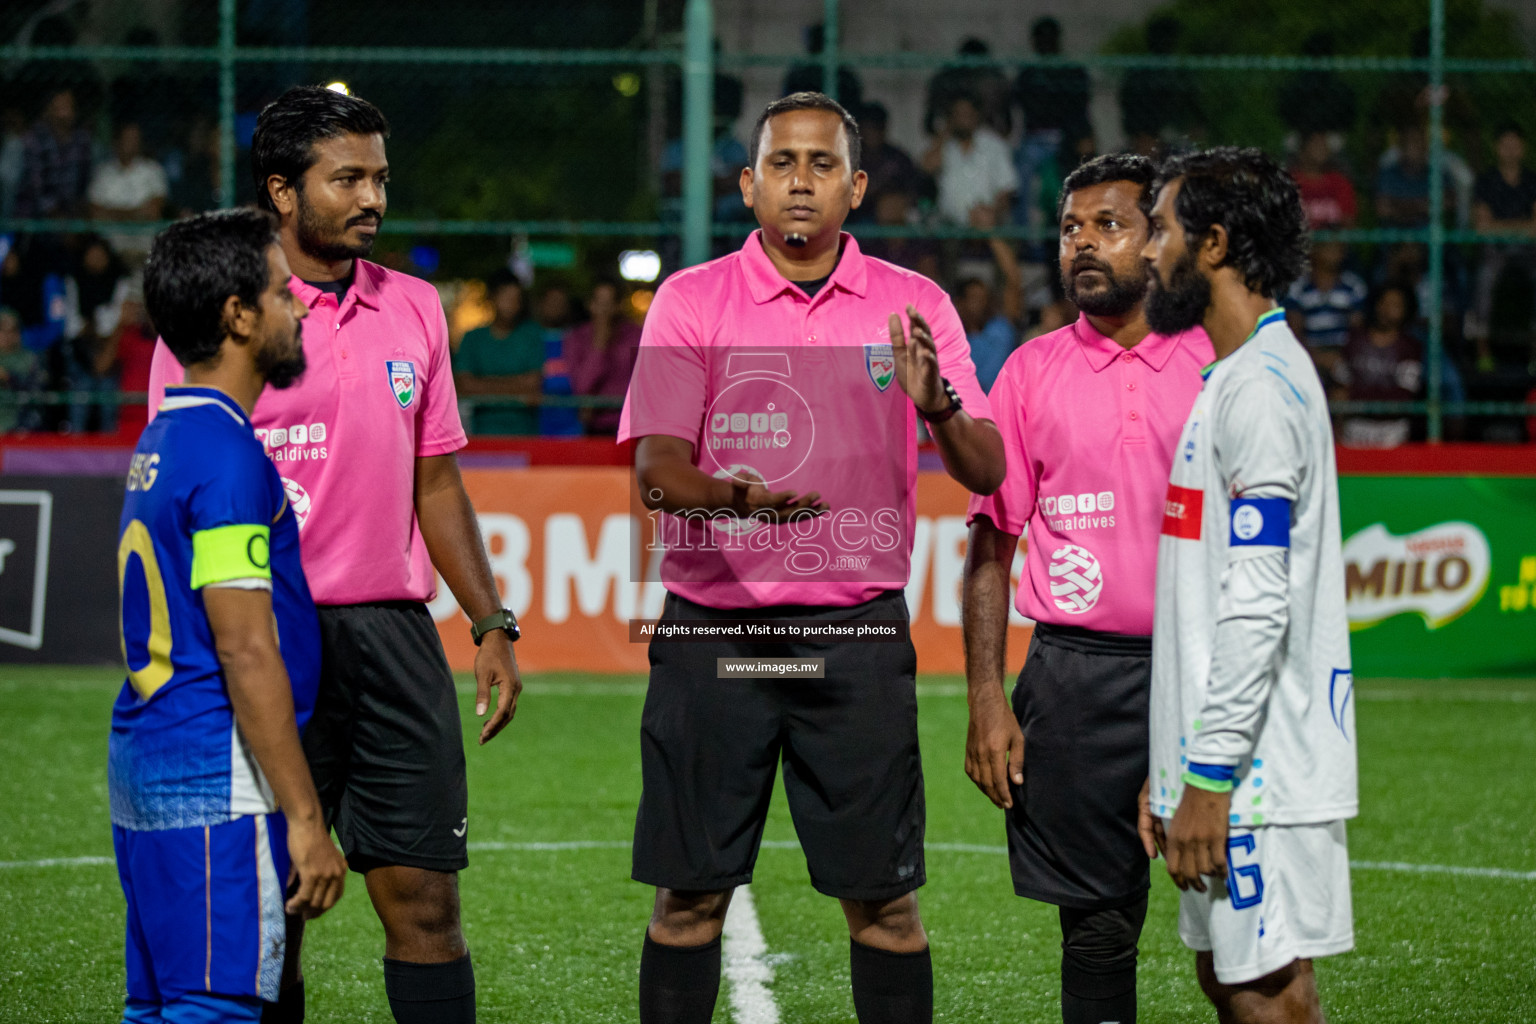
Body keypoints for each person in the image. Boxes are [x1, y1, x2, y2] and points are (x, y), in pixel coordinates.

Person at [620, 91, 1004, 1024]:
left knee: (886, 910)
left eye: (822, 164)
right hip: (714, 634)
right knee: (687, 905)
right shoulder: (691, 299)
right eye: (782, 163)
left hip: (856, 635)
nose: (801, 180)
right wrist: (733, 498)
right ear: (749, 184)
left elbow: (990, 468)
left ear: (857, 186)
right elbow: (656, 468)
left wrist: (939, 404)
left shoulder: (916, 306)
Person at [148, 85, 523, 1024]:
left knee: (427, 905)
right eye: (346, 177)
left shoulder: (417, 308)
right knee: (274, 915)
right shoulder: (228, 313)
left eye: (380, 177)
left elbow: (436, 484)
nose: (373, 199)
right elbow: (182, 483)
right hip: (267, 644)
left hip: (393, 641)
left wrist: (489, 621)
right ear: (281, 189)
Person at [962, 153, 1213, 1024]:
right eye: (1071, 228)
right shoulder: (1029, 373)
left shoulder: (1216, 360)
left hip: (1207, 673)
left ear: (1158, 242)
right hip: (1072, 680)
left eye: (1109, 225)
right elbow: (990, 543)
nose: (1083, 245)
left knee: (1238, 931)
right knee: (1099, 930)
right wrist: (989, 696)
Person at [114, 207, 346, 1024]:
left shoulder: (164, 441)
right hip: (217, 784)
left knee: (158, 1009)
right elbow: (247, 649)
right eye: (282, 292)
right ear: (239, 315)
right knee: (212, 1011)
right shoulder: (229, 457)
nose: (298, 307)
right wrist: (307, 819)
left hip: (148, 773)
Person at [1141, 146, 1356, 1023]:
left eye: (1161, 228)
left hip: (1251, 780)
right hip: (1226, 769)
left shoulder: (1261, 392)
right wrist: (1172, 773)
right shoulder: (1233, 378)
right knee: (1233, 982)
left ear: (1216, 244)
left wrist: (1209, 779)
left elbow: (1258, 604)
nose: (1149, 251)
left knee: (1265, 993)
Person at [1466, 123, 1536, 369]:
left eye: (1515, 144)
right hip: (1494, 248)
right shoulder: (1486, 182)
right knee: (1484, 279)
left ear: (1523, 148)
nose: (1510, 150)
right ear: (1497, 148)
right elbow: (1482, 228)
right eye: (1505, 145)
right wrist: (1522, 225)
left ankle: (1533, 356)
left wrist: (1499, 224)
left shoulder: (1531, 181)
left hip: (1529, 250)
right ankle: (1482, 352)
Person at [453, 269, 544, 436]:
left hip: (524, 433)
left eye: (516, 299)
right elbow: (464, 385)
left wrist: (483, 386)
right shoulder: (472, 338)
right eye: (506, 298)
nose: (512, 305)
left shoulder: (531, 335)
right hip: (483, 434)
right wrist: (517, 388)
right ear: (492, 298)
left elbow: (533, 384)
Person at [1335, 283, 1424, 449]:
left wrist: (1356, 397)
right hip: (1354, 428)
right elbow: (1340, 389)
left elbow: (1403, 397)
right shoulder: (1354, 341)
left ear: (1406, 310)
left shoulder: (1410, 348)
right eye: (1383, 303)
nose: (1386, 310)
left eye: (1395, 305)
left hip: (1392, 431)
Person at [62, 237, 131, 432]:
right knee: (80, 393)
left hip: (110, 349)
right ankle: (75, 444)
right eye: (91, 255)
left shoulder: (119, 281)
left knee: (108, 398)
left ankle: (110, 448)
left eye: (100, 255)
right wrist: (90, 329)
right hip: (80, 349)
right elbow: (71, 325)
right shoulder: (73, 280)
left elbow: (119, 319)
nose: (96, 260)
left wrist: (103, 338)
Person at [953, 205, 1024, 392]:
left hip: (1000, 412)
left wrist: (989, 233)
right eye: (974, 298)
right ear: (960, 303)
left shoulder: (1001, 329)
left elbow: (1013, 279)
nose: (980, 303)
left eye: (983, 297)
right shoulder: (951, 338)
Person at [923, 93, 1018, 228]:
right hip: (949, 228)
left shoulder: (994, 145)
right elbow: (927, 167)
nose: (963, 119)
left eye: (968, 114)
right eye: (958, 114)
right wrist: (945, 132)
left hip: (987, 225)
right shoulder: (944, 145)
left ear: (977, 115)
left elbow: (1006, 190)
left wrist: (992, 215)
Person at [564, 276, 641, 435]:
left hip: (632, 426)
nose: (604, 310)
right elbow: (582, 387)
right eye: (599, 303)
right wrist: (599, 344)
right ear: (590, 304)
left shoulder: (636, 336)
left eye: (609, 303)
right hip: (593, 427)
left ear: (619, 305)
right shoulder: (576, 338)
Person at [1283, 240, 1366, 379]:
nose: (1336, 251)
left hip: (1343, 357)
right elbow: (1294, 330)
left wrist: (1339, 357)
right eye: (1329, 246)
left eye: (1339, 246)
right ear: (1314, 250)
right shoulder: (1298, 288)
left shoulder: (1354, 286)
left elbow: (1357, 331)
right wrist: (1317, 357)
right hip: (1307, 354)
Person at [89, 121, 169, 262]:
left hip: (146, 244)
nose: (131, 143)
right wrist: (135, 214)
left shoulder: (152, 170)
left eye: (135, 139)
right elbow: (95, 214)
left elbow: (154, 211)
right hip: (111, 246)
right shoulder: (103, 173)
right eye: (127, 138)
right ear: (116, 142)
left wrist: (113, 214)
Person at [14, 87, 94, 219]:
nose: (65, 111)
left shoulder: (81, 139)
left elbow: (84, 183)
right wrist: (58, 218)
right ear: (49, 110)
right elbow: (37, 188)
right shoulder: (36, 138)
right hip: (38, 215)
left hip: (71, 212)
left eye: (68, 105)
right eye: (60, 106)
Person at [1289, 130, 1356, 230]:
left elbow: (1349, 221)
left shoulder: (1339, 181)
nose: (1322, 149)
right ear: (1302, 150)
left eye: (1324, 144)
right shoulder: (1289, 181)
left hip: (1332, 243)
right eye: (1316, 144)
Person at [0, 305, 42, 432]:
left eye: (12, 330)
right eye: (2, 329)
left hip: (16, 426)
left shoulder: (28, 358)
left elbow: (35, 393)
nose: (8, 335)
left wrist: (8, 377)